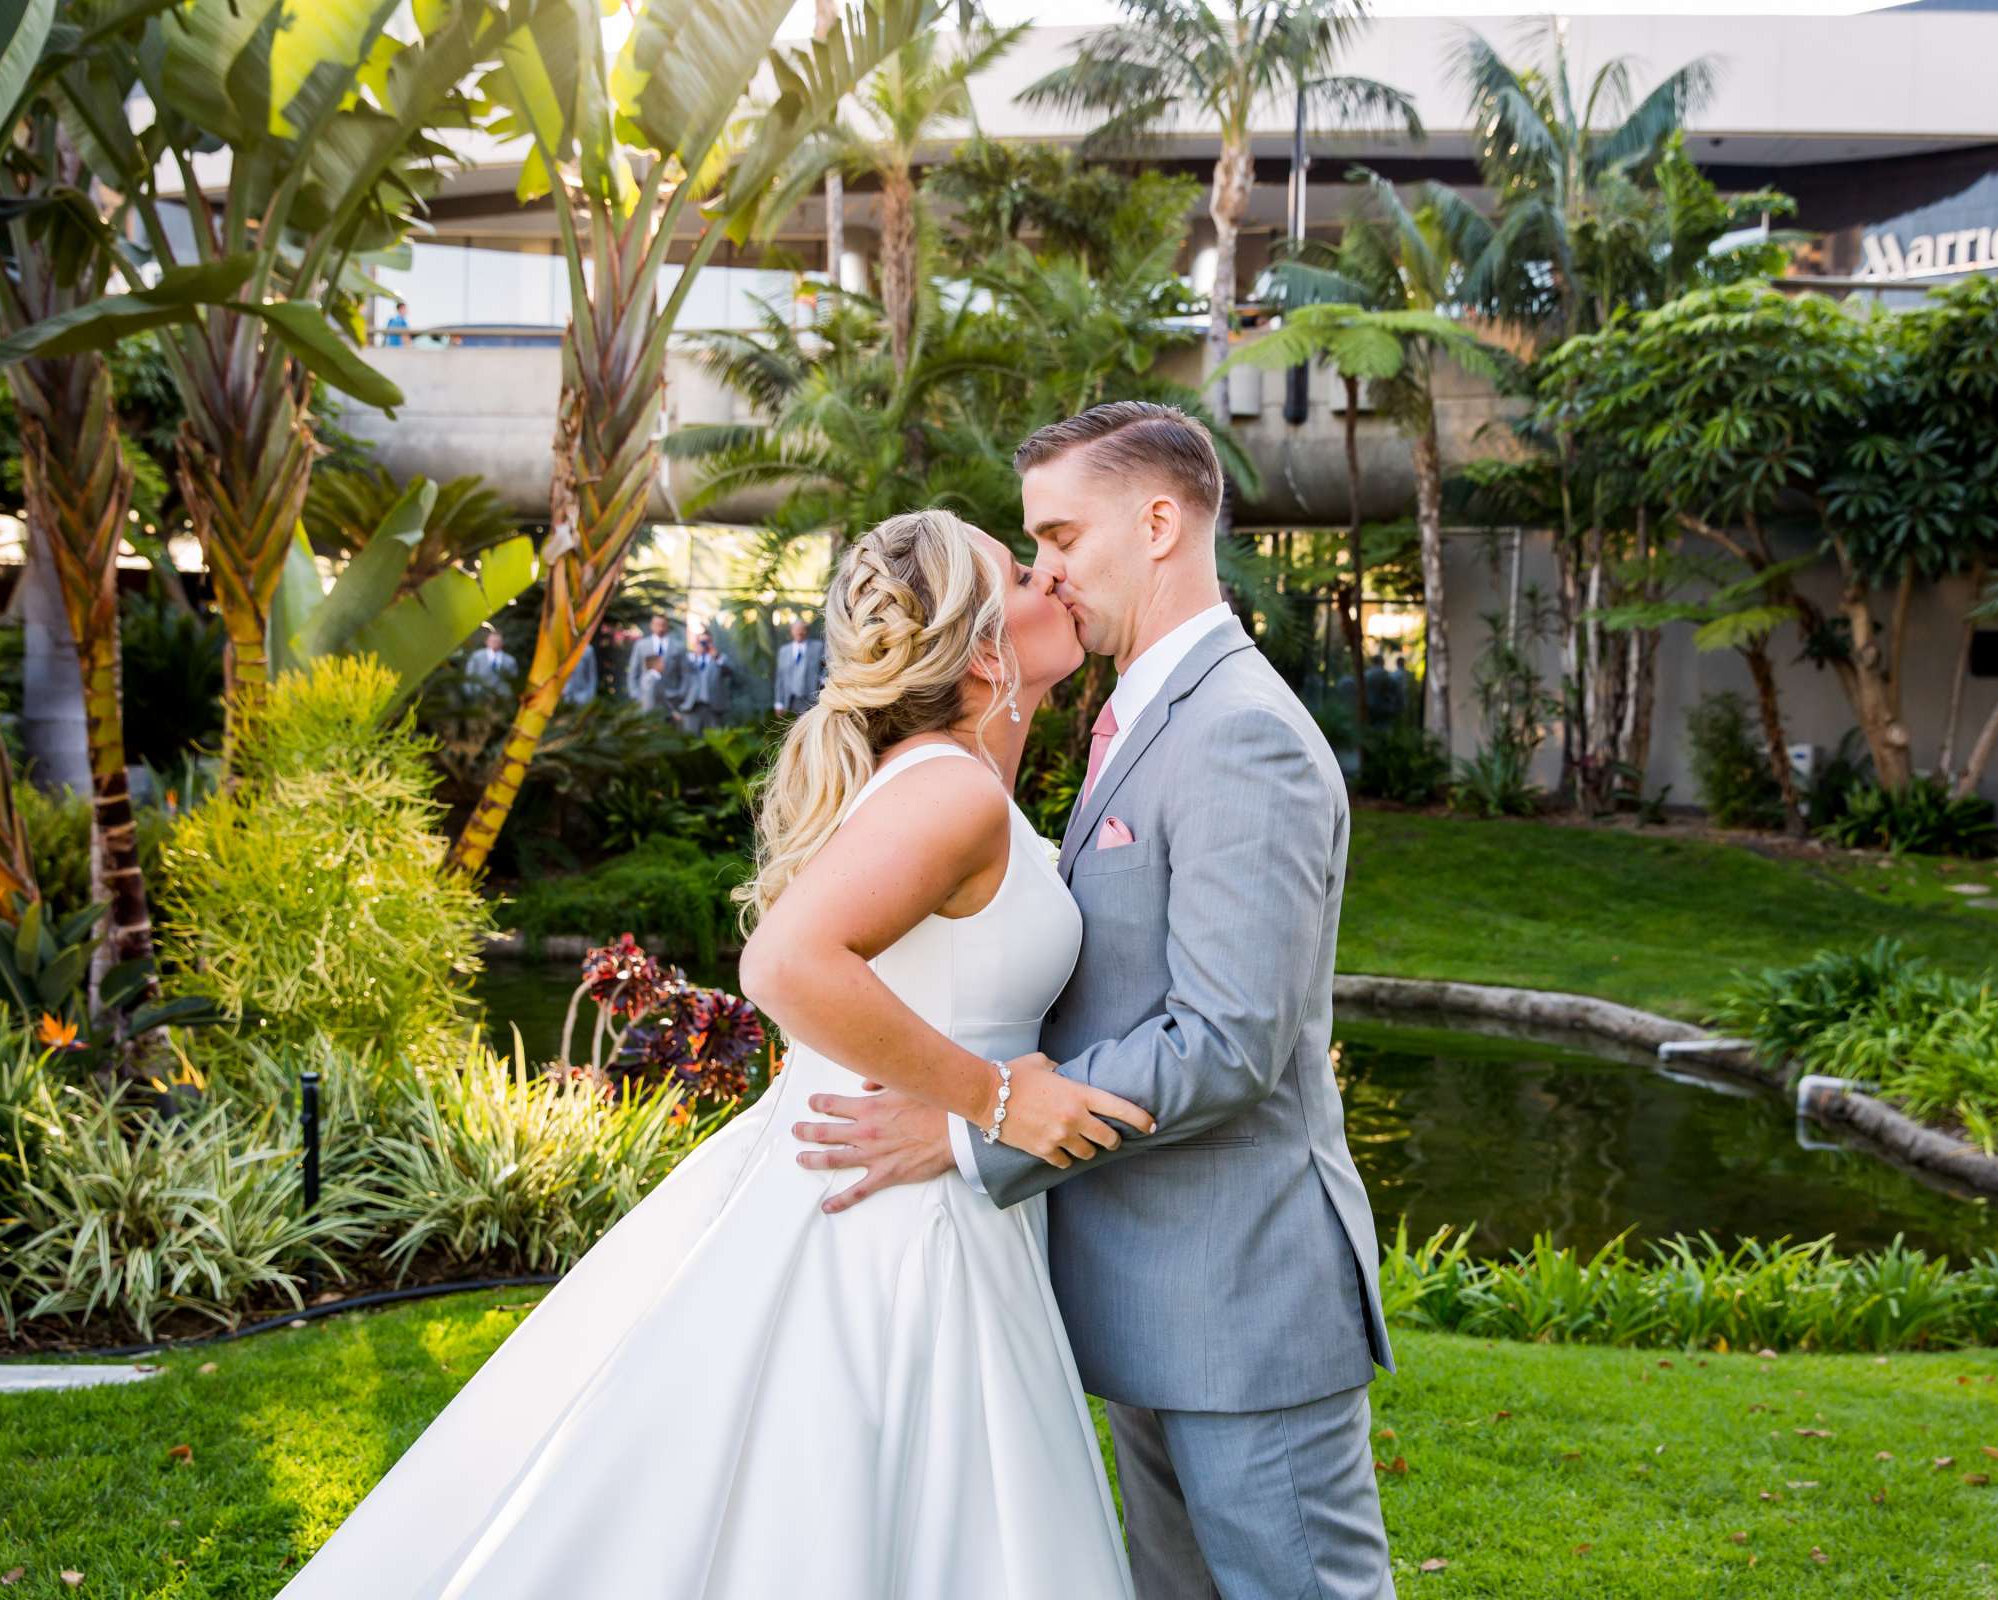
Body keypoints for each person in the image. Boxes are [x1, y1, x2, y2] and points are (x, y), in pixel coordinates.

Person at [275, 508, 1151, 1598]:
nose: (1052, 581)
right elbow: (784, 964)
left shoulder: (959, 785)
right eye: (1022, 573)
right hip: (888, 1223)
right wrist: (994, 1097)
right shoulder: (951, 790)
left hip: (921, 1191)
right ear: (982, 648)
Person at [798, 403, 1394, 1598]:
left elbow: (1227, 1042)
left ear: (1160, 520)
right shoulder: (1136, 720)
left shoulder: (1240, 732)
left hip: (1243, 1300)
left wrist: (976, 1124)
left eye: (1059, 537)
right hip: (1154, 1289)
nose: (1048, 572)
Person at [673, 629, 737, 734]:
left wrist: (717, 657)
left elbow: (730, 672)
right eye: (701, 642)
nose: (704, 645)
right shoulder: (688, 658)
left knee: (714, 741)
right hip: (691, 706)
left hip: (713, 707)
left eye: (707, 642)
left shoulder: (719, 658)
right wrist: (695, 655)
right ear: (696, 643)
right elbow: (678, 675)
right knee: (691, 739)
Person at [772, 616, 824, 715]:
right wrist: (779, 702)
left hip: (813, 698)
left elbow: (827, 668)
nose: (799, 633)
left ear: (807, 631)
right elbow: (780, 677)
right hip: (792, 699)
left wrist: (821, 680)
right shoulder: (784, 651)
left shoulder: (818, 647)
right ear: (791, 631)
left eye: (802, 630)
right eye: (796, 630)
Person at [627, 613, 678, 708]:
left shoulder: (677, 647)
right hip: (646, 698)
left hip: (670, 700)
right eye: (657, 624)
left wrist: (679, 693)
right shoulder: (641, 645)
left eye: (663, 625)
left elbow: (685, 673)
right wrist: (635, 694)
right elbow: (633, 671)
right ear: (651, 626)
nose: (660, 628)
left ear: (667, 626)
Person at [462, 629, 517, 695]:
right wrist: (469, 692)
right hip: (480, 694)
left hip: (502, 695)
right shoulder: (476, 656)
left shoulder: (510, 660)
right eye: (493, 641)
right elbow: (469, 675)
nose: (495, 643)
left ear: (502, 643)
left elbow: (514, 678)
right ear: (487, 642)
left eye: (498, 641)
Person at [561, 629, 599, 707]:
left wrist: (590, 696)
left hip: (582, 697)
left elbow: (592, 676)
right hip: (565, 696)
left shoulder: (588, 650)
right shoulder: (564, 649)